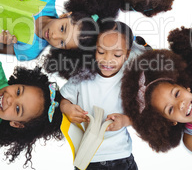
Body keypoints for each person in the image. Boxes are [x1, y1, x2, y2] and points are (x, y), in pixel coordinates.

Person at [46, 21, 145, 169]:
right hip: (87, 158)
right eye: (101, 52)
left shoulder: (130, 78)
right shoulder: (83, 73)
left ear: (127, 54)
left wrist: (125, 121)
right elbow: (64, 98)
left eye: (117, 54)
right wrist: (67, 108)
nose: (107, 60)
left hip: (121, 156)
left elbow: (143, 114)